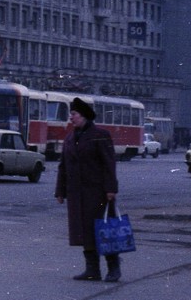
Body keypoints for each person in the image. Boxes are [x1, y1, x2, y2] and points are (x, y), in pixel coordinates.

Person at [55, 98, 120, 282]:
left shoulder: (100, 134)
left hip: (98, 193)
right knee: (84, 231)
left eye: (74, 114)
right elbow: (63, 166)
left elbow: (109, 163)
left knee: (104, 230)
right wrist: (60, 191)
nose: (71, 118)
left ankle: (113, 268)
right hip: (77, 194)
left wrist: (110, 189)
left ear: (83, 116)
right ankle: (92, 269)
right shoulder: (70, 138)